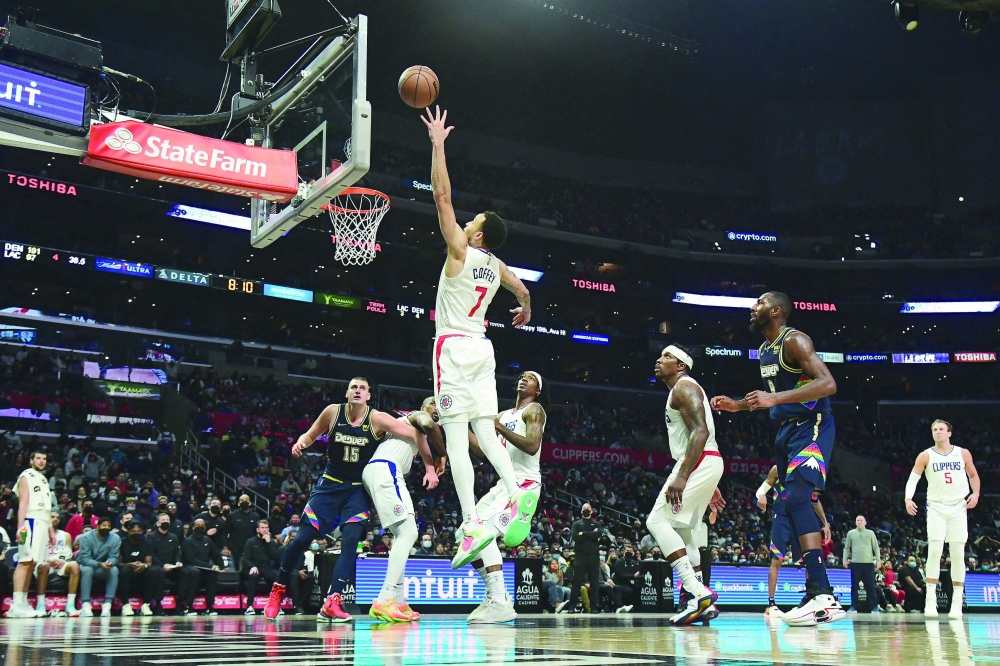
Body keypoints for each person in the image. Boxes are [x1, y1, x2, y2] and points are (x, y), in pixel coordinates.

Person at [421, 105, 538, 568]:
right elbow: (521, 287)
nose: (465, 222)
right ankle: (515, 492)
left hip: (451, 346)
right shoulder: (496, 266)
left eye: (473, 222)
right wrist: (525, 307)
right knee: (486, 432)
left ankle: (471, 522)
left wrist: (437, 144)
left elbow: (441, 197)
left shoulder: (461, 252)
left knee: (454, 437)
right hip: (483, 349)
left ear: (480, 232)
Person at [711, 292, 844, 627]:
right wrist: (738, 405)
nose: (751, 307)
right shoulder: (766, 350)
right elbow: (769, 399)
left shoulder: (794, 340)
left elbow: (828, 384)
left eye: (758, 302)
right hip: (785, 432)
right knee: (788, 505)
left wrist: (775, 398)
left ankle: (823, 593)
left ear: (774, 311)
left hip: (811, 425)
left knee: (799, 499)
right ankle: (816, 592)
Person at [263, 377, 431, 622]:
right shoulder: (333, 412)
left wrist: (429, 463)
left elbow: (417, 433)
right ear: (347, 392)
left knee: (351, 538)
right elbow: (310, 435)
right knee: (302, 539)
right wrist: (301, 443)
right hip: (330, 484)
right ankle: (278, 588)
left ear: (369, 395)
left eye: (363, 388)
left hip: (356, 489)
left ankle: (333, 600)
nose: (358, 391)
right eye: (354, 387)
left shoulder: (377, 418)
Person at [647, 346, 725, 626]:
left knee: (656, 522)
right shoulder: (681, 388)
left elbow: (700, 431)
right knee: (685, 531)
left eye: (667, 357)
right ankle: (699, 603)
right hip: (706, 461)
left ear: (681, 366)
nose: (659, 360)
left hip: (697, 460)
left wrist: (683, 475)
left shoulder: (683, 387)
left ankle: (696, 591)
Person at [464, 371, 548, 623]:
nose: (524, 379)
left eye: (531, 378)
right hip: (503, 483)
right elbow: (485, 451)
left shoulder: (535, 410)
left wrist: (498, 427)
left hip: (524, 483)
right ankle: (495, 595)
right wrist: (460, 427)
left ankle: (499, 600)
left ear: (538, 389)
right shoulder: (502, 415)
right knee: (464, 534)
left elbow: (532, 445)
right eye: (522, 376)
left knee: (484, 533)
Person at [363, 397, 443, 623]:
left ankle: (397, 599)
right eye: (432, 404)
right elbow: (427, 423)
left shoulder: (416, 435)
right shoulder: (415, 418)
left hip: (382, 470)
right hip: (385, 468)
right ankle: (385, 598)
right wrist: (440, 455)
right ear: (421, 408)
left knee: (404, 534)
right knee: (408, 533)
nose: (436, 408)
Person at [905, 419, 981, 619]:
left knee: (957, 553)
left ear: (949, 433)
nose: (937, 432)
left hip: (958, 506)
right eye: (934, 430)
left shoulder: (962, 453)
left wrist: (976, 494)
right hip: (936, 507)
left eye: (941, 429)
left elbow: (973, 475)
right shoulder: (926, 455)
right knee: (935, 551)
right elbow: (913, 478)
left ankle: (956, 603)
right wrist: (907, 498)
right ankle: (931, 600)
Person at [756, 465, 830, 618]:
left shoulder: (808, 469)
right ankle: (771, 604)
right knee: (776, 560)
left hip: (800, 518)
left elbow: (814, 499)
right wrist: (761, 494)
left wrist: (825, 523)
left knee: (809, 559)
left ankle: (811, 598)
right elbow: (762, 489)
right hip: (781, 518)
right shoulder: (778, 468)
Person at [8, 450, 56, 618]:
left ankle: (23, 602)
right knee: (25, 561)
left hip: (42, 522)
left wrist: (50, 530)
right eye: (38, 458)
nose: (42, 461)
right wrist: (20, 526)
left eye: (44, 458)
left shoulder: (43, 479)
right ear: (31, 460)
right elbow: (23, 503)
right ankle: (15, 604)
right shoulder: (25, 476)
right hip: (30, 521)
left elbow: (46, 508)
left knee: (32, 562)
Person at [37, 511, 81, 617]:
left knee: (74, 566)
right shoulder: (39, 534)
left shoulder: (65, 535)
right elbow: (36, 553)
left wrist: (61, 561)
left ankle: (70, 605)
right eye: (52, 517)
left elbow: (69, 554)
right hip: (44, 562)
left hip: (61, 563)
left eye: (57, 517)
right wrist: (49, 561)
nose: (55, 519)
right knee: (44, 566)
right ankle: (40, 605)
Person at [76, 516, 121, 617]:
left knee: (114, 570)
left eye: (108, 526)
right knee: (88, 570)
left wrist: (109, 563)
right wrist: (99, 564)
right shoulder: (86, 537)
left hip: (103, 566)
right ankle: (85, 604)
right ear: (97, 526)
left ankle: (107, 604)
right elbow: (85, 559)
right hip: (87, 565)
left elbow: (114, 557)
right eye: (104, 525)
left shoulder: (115, 538)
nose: (106, 527)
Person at [563, 504, 603, 614]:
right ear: (581, 511)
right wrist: (591, 534)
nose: (586, 510)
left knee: (594, 583)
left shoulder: (596, 523)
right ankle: (572, 607)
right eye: (584, 509)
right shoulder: (576, 524)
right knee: (577, 582)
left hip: (593, 556)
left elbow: (599, 534)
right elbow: (575, 537)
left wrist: (584, 533)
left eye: (588, 509)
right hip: (580, 556)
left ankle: (594, 607)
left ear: (592, 511)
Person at [117, 520, 162, 616]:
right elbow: (119, 563)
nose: (136, 533)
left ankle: (146, 605)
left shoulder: (147, 543)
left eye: (138, 531)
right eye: (133, 531)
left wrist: (143, 565)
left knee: (153, 571)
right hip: (128, 569)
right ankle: (125, 605)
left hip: (142, 570)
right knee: (124, 571)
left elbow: (149, 562)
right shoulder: (122, 543)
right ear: (129, 532)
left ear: (141, 531)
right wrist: (130, 564)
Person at [180, 517, 223, 616]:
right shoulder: (188, 541)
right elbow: (191, 560)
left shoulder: (207, 540)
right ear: (193, 527)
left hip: (205, 569)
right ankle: (188, 606)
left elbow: (215, 554)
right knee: (195, 572)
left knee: (212, 575)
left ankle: (210, 606)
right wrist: (211, 566)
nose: (200, 527)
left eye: (202, 525)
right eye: (197, 525)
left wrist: (222, 566)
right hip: (190, 568)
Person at [843, 515, 880, 613]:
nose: (859, 522)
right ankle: (853, 606)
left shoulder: (870, 533)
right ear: (855, 522)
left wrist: (879, 560)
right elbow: (847, 548)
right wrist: (845, 560)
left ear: (865, 522)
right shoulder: (851, 533)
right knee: (854, 586)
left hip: (868, 563)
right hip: (855, 563)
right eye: (857, 520)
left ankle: (873, 607)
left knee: (870, 586)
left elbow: (876, 547)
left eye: (861, 520)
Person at [147, 512, 183, 615]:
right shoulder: (151, 536)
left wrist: (177, 562)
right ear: (158, 523)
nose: (166, 522)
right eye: (163, 520)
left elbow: (177, 553)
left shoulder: (174, 537)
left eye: (167, 520)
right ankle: (158, 604)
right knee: (159, 572)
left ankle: (180, 604)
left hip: (172, 566)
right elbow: (152, 555)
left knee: (187, 572)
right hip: (158, 566)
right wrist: (163, 565)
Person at [242, 520, 279, 615]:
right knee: (254, 576)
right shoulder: (250, 541)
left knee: (276, 576)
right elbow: (246, 558)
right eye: (262, 528)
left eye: (266, 528)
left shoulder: (272, 542)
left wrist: (268, 543)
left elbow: (274, 556)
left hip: (266, 567)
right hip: (252, 566)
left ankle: (275, 606)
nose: (264, 530)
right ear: (257, 529)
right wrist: (252, 566)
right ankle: (250, 606)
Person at [227, 494, 261, 570]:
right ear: (238, 503)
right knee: (237, 570)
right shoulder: (232, 516)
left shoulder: (255, 516)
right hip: (236, 549)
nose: (244, 502)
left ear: (250, 503)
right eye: (242, 500)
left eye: (246, 500)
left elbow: (257, 533)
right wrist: (225, 547)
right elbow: (225, 532)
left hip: (251, 548)